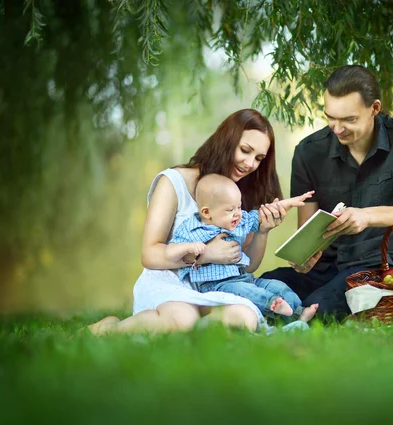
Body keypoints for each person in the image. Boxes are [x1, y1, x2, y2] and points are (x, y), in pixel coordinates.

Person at [261, 65, 393, 321]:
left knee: (318, 308)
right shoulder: (309, 152)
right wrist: (303, 258)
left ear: (374, 108)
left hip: (382, 268)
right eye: (330, 117)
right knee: (263, 287)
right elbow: (307, 233)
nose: (337, 128)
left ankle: (296, 317)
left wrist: (367, 216)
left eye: (349, 120)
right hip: (324, 268)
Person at [88, 109, 291, 335]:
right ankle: (108, 329)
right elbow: (149, 255)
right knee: (184, 319)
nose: (250, 163)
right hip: (169, 282)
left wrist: (263, 232)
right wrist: (206, 255)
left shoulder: (241, 194)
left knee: (244, 318)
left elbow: (244, 265)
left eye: (259, 158)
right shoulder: (174, 182)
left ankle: (189, 331)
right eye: (245, 150)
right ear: (227, 140)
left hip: (214, 288)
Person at [169, 173, 319, 321]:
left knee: (277, 285)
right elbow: (172, 251)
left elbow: (265, 213)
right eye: (230, 210)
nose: (238, 214)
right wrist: (192, 248)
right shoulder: (192, 229)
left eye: (239, 207)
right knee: (248, 292)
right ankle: (271, 304)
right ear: (207, 212)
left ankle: (298, 313)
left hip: (245, 278)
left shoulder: (238, 222)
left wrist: (291, 202)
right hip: (218, 286)